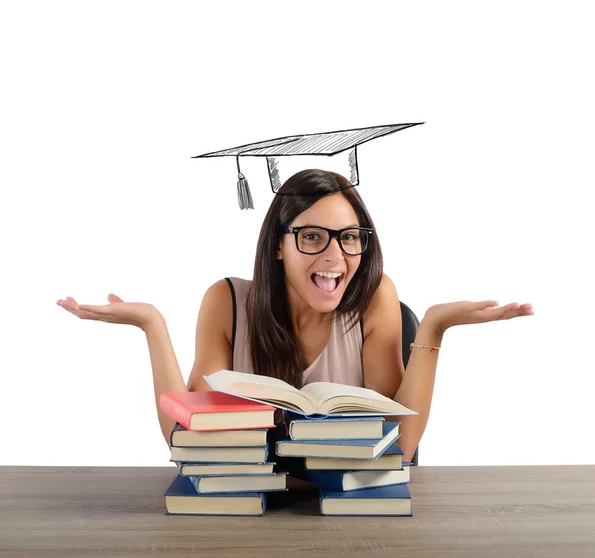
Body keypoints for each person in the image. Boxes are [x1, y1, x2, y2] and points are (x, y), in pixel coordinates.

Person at [56, 169, 534, 465]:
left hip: (345, 518)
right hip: (249, 518)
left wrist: (432, 328)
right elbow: (189, 444)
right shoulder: (227, 302)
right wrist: (152, 326)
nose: (335, 256)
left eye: (349, 237)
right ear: (279, 246)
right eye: (311, 237)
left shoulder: (374, 298)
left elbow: (399, 448)